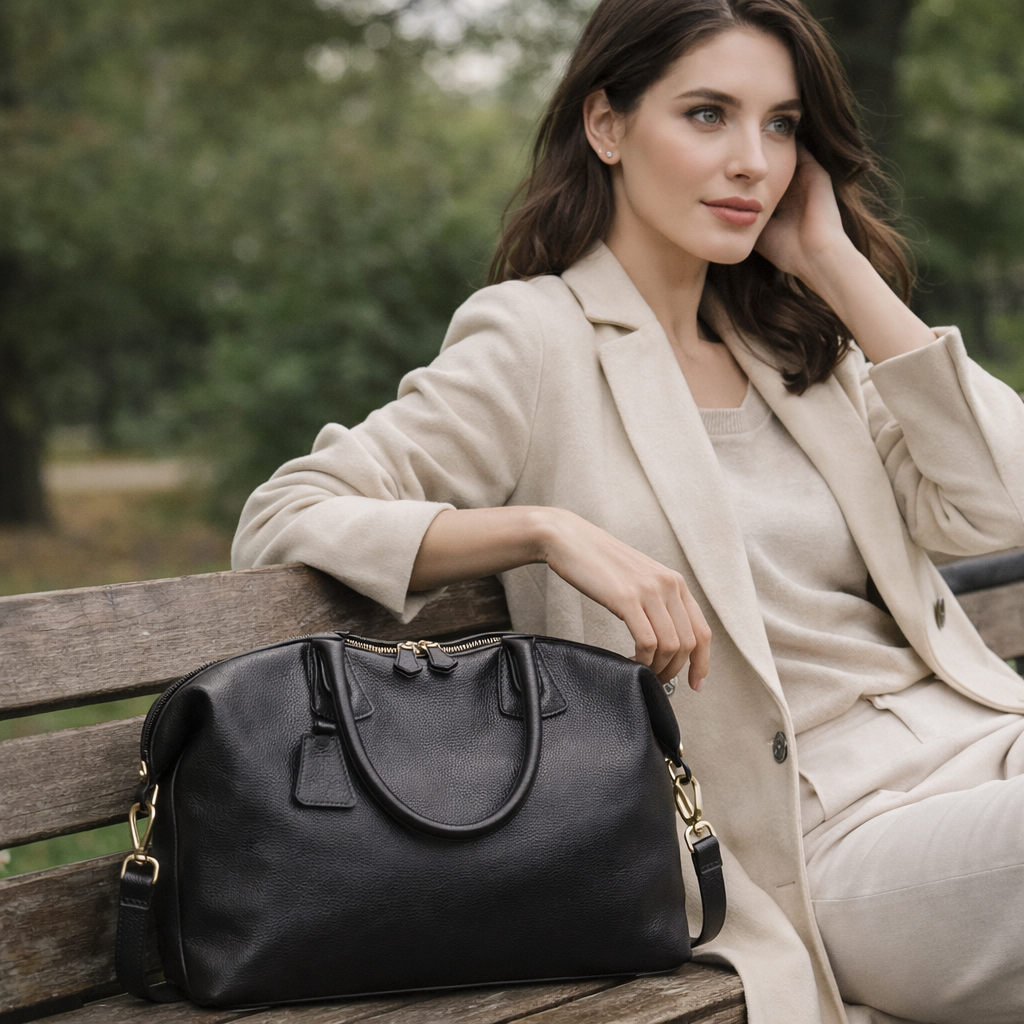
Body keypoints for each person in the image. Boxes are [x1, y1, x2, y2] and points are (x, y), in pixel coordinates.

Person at [232, 1, 1024, 1021]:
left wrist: (832, 261)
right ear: (606, 125)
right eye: (706, 114)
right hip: (823, 836)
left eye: (780, 125)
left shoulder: (794, 348)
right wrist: (546, 532)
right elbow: (286, 513)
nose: (752, 160)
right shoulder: (534, 340)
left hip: (985, 748)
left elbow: (1000, 502)